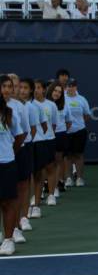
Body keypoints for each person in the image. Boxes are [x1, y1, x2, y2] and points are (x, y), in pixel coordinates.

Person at [2, 75, 30, 245]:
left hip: (11, 158)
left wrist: (10, 152)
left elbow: (22, 134)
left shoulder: (14, 109)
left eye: (9, 86)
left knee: (11, 197)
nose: (6, 89)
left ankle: (12, 234)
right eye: (3, 86)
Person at [17, 78, 39, 232]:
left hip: (25, 147)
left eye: (25, 88)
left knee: (24, 183)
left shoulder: (30, 108)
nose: (21, 90)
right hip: (7, 151)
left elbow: (31, 129)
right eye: (19, 87)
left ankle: (24, 217)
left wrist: (21, 145)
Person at [47, 81, 72, 202]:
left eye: (59, 92)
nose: (56, 93)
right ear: (50, 90)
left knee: (57, 162)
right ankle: (42, 190)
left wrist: (60, 131)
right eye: (55, 91)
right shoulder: (43, 103)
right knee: (46, 164)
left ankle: (55, 187)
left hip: (60, 135)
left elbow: (69, 121)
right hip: (45, 137)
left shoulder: (64, 104)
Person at [64, 79, 91, 187]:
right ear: (66, 87)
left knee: (79, 155)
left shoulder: (82, 99)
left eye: (72, 86)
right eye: (68, 86)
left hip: (80, 131)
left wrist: (78, 124)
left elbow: (87, 115)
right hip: (66, 132)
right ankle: (68, 178)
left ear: (76, 87)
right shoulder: (63, 99)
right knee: (67, 156)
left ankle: (79, 178)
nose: (70, 88)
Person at [29, 80, 49, 219]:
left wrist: (35, 138)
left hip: (38, 143)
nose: (36, 90)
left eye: (37, 88)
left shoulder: (38, 107)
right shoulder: (14, 106)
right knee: (26, 177)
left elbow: (45, 126)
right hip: (24, 146)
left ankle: (36, 205)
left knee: (38, 174)